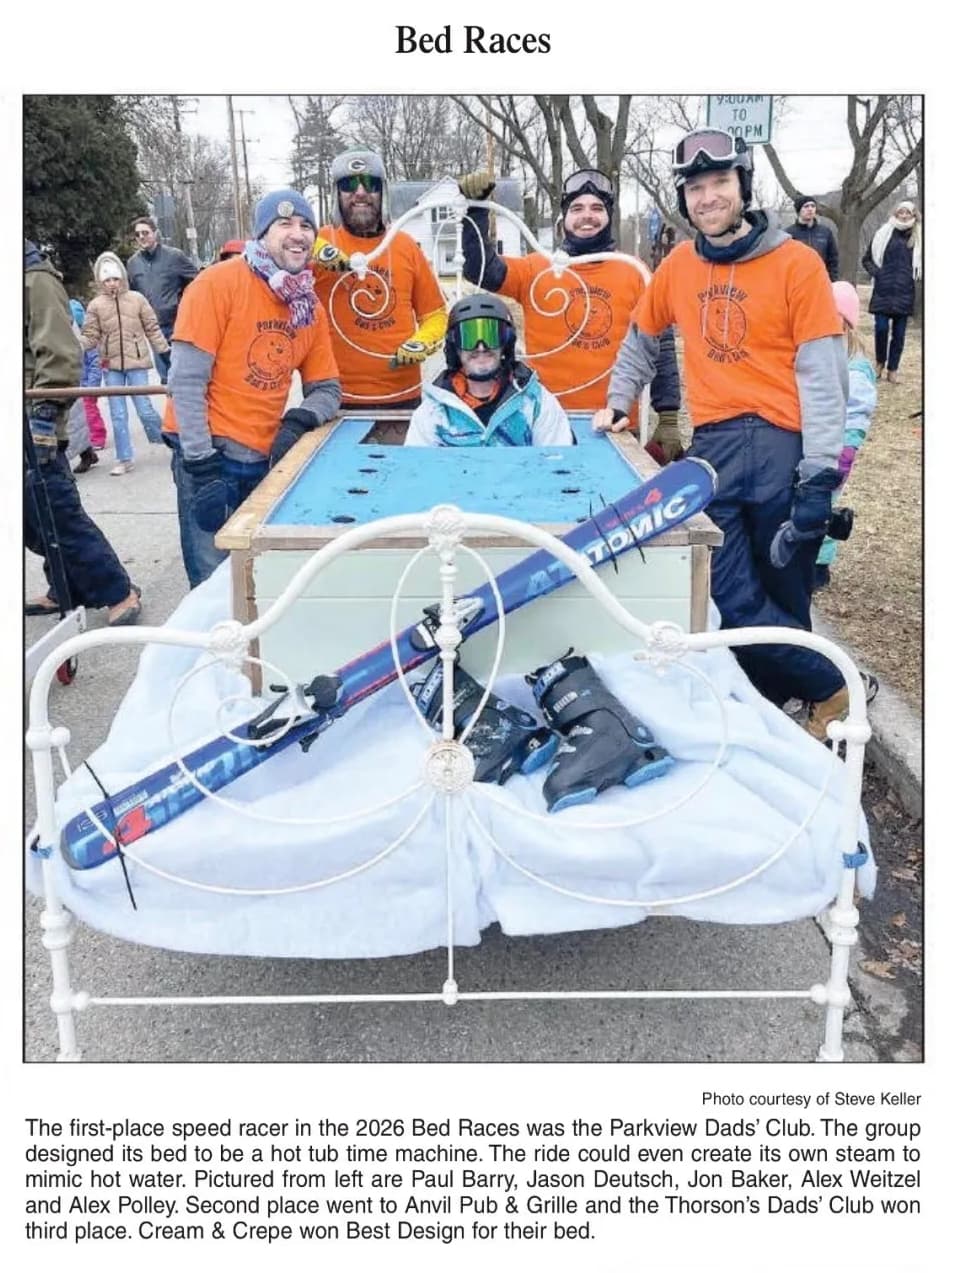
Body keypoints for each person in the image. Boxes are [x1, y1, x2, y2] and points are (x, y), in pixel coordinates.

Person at [593, 129, 851, 741]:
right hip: (714, 447)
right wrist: (618, 401)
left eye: (720, 183)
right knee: (728, 591)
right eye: (696, 189)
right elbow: (641, 337)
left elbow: (823, 376)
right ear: (685, 201)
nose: (708, 197)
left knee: (784, 589)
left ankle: (789, 714)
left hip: (782, 447)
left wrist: (819, 477)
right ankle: (830, 686)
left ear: (743, 187)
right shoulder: (678, 266)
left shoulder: (798, 264)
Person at [164, 188, 341, 588]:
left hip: (263, 460)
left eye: (306, 226)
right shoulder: (216, 284)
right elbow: (186, 382)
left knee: (257, 581)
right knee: (212, 582)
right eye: (284, 224)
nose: (297, 233)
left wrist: (298, 420)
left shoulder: (307, 306)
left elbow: (328, 388)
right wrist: (200, 463)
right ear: (262, 234)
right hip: (209, 454)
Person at [458, 167, 683, 464]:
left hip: (616, 424)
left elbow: (661, 345)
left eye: (596, 208)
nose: (587, 216)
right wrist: (477, 210)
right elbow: (481, 269)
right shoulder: (537, 268)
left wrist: (668, 417)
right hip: (545, 422)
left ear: (609, 215)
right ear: (564, 218)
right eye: (577, 208)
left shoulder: (635, 272)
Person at [24, 240, 141, 626]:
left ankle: (118, 590)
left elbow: (60, 354)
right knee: (28, 519)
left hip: (33, 423)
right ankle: (65, 586)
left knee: (57, 513)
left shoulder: (33, 278)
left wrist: (43, 420)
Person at [309, 149, 447, 409]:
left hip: (402, 397)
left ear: (383, 192)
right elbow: (271, 262)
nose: (360, 192)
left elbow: (435, 314)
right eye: (349, 184)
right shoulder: (319, 241)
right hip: (334, 399)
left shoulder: (405, 246)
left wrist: (423, 340)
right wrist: (311, 249)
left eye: (370, 183)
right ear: (336, 193)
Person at [405, 294, 572, 447]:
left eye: (491, 336)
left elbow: (557, 461)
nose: (481, 347)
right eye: (469, 337)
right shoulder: (433, 412)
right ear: (455, 347)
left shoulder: (536, 403)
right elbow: (418, 466)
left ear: (506, 343)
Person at [80, 253, 169, 475]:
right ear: (100, 282)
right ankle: (124, 458)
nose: (112, 283)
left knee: (144, 408)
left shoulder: (137, 299)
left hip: (136, 361)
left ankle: (168, 439)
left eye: (115, 279)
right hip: (111, 365)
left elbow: (152, 327)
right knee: (118, 414)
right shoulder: (96, 305)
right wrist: (75, 346)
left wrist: (165, 352)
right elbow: (90, 335)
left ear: (122, 278)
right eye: (107, 280)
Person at [814, 281, 877, 591]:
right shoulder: (817, 355)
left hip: (836, 453)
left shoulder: (856, 369)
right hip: (811, 445)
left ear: (846, 323)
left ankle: (819, 565)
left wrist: (846, 452)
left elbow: (856, 415)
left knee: (822, 506)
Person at [126, 216, 198, 383]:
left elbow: (197, 280)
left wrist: (184, 303)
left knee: (181, 374)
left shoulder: (174, 257)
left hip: (176, 324)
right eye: (138, 234)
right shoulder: (133, 263)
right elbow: (131, 294)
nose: (142, 237)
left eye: (145, 233)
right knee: (165, 378)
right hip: (152, 328)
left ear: (155, 233)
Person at [862, 199, 921, 384]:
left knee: (899, 335)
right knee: (881, 329)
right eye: (900, 212)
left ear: (913, 215)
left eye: (907, 213)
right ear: (895, 213)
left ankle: (893, 369)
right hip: (883, 290)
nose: (904, 216)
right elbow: (867, 259)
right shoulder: (883, 233)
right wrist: (878, 274)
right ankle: (880, 363)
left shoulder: (919, 236)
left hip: (905, 292)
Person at [67, 298, 107, 472]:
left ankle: (96, 439)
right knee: (77, 417)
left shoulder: (86, 342)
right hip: (77, 382)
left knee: (86, 414)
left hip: (84, 384)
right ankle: (88, 447)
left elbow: (95, 364)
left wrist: (92, 385)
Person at [786, 195, 839, 281]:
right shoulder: (789, 234)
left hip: (821, 280)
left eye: (813, 206)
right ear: (799, 210)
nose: (810, 209)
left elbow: (833, 259)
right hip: (798, 281)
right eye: (806, 206)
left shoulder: (825, 232)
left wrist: (832, 280)